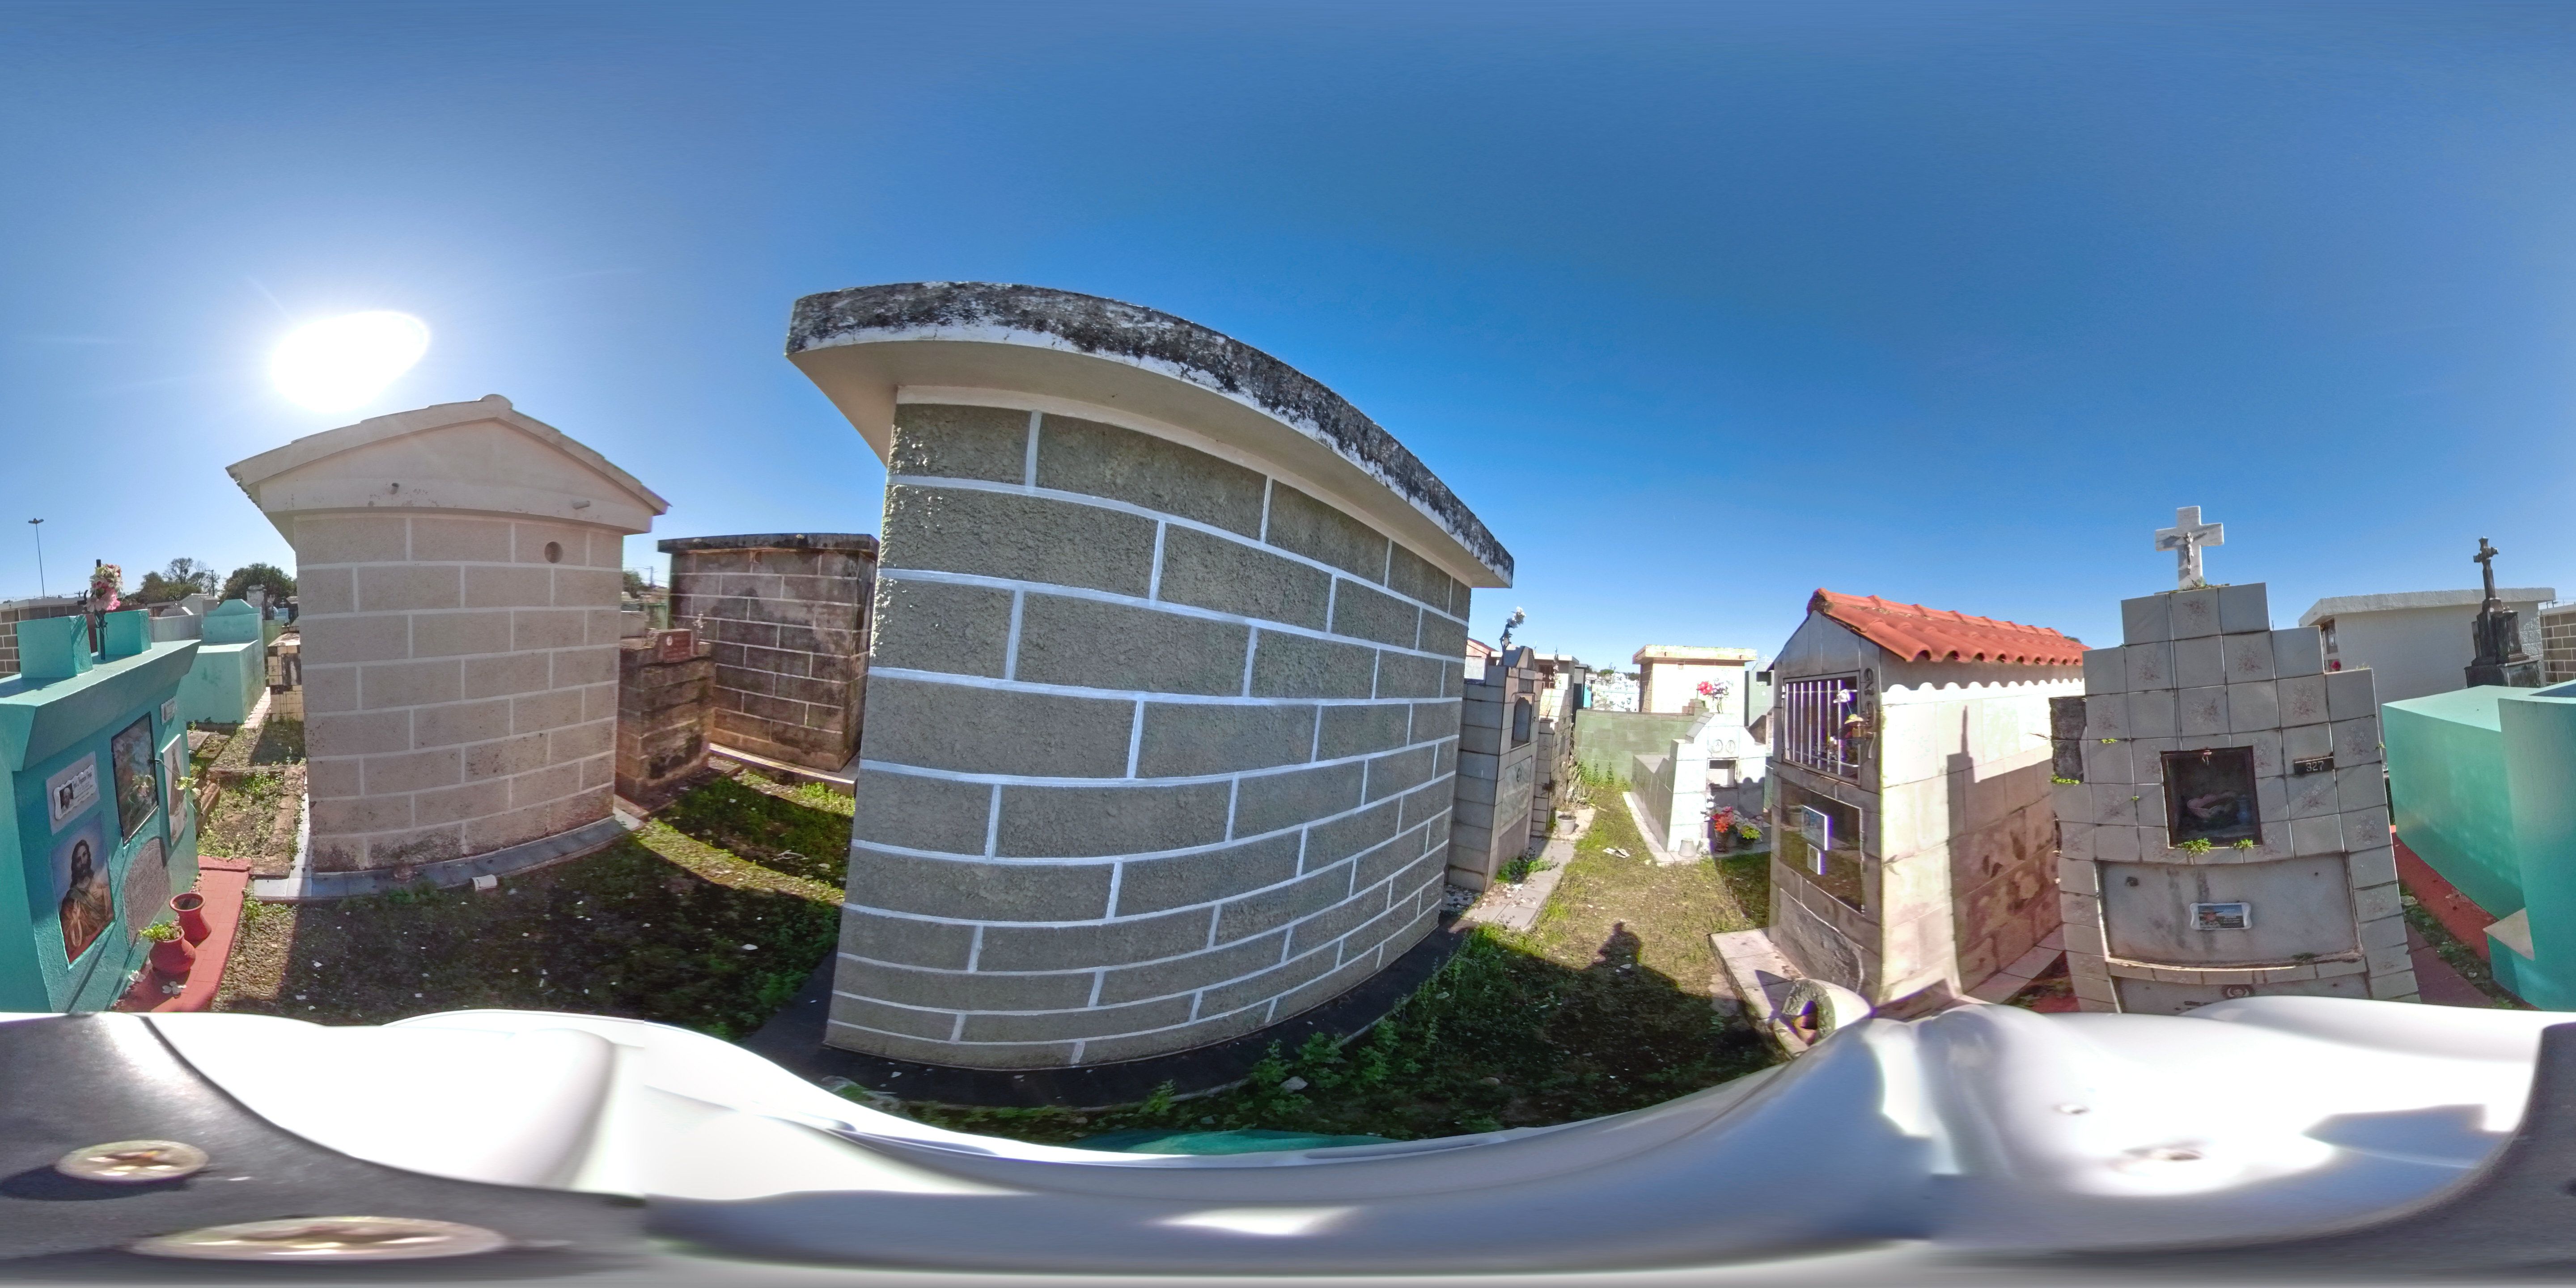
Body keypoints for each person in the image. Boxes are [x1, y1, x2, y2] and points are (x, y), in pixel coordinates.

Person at [58, 838, 112, 962]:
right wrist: (75, 919)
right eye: (78, 860)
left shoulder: (97, 882)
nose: (83, 862)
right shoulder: (72, 899)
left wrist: (103, 893)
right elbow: (69, 939)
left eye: (84, 855)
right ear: (74, 865)